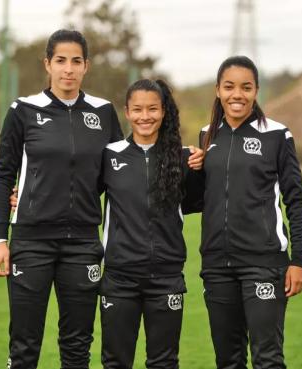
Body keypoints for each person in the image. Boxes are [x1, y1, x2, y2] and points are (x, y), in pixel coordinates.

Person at [0, 29, 124, 369]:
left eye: (76, 61)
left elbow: (121, 172)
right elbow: (4, 174)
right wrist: (0, 240)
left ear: (86, 66)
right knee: (24, 345)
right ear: (47, 64)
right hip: (31, 243)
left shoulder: (104, 113)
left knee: (78, 347)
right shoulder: (22, 110)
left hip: (82, 244)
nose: (68, 69)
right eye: (60, 61)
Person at [194, 56, 302, 369]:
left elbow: (296, 199)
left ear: (256, 90)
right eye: (229, 87)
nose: (237, 94)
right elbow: (198, 198)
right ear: (217, 90)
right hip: (217, 265)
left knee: (267, 359)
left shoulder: (276, 135)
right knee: (228, 361)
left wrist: (298, 260)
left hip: (264, 264)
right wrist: (187, 170)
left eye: (246, 87)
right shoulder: (206, 136)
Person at [99, 79, 202, 369]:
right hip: (119, 279)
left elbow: (208, 200)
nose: (146, 116)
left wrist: (202, 167)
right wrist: (22, 196)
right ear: (127, 113)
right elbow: (76, 193)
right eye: (138, 109)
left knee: (164, 363)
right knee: (116, 362)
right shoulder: (110, 156)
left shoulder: (184, 159)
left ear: (164, 112)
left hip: (167, 278)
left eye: (153, 109)